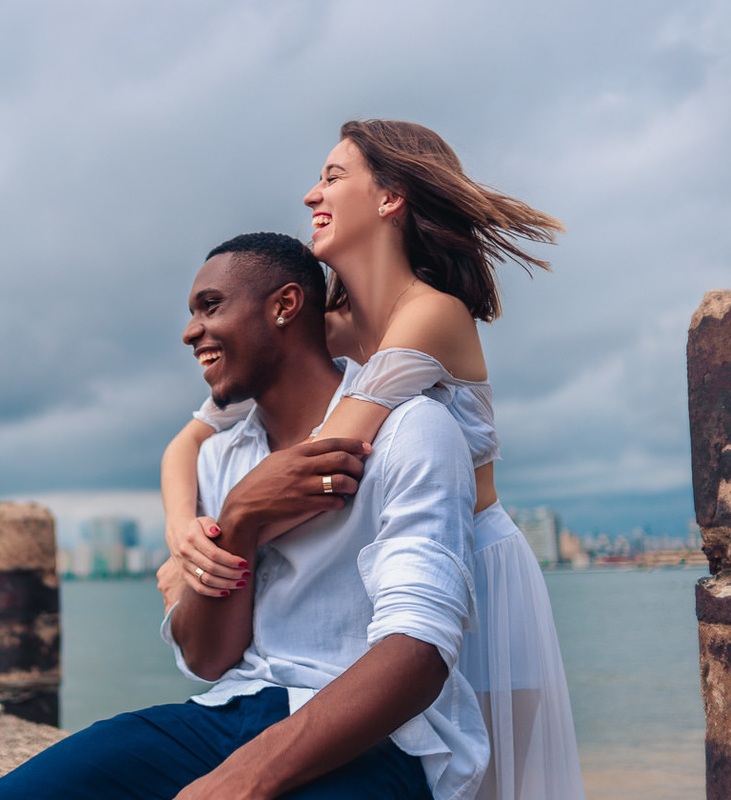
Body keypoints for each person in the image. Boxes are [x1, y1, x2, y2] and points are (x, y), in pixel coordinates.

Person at [0, 232, 487, 799]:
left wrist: (244, 780)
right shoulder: (219, 457)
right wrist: (240, 518)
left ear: (284, 306)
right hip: (226, 714)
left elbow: (419, 653)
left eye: (210, 306)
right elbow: (208, 656)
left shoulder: (411, 430)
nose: (190, 331)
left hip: (374, 740)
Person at [160, 121, 583, 799]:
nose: (310, 195)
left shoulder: (433, 313)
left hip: (477, 565)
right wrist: (186, 537)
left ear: (390, 199)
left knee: (500, 782)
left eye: (332, 177)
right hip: (392, 564)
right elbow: (190, 441)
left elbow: (329, 461)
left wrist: (233, 525)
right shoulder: (329, 327)